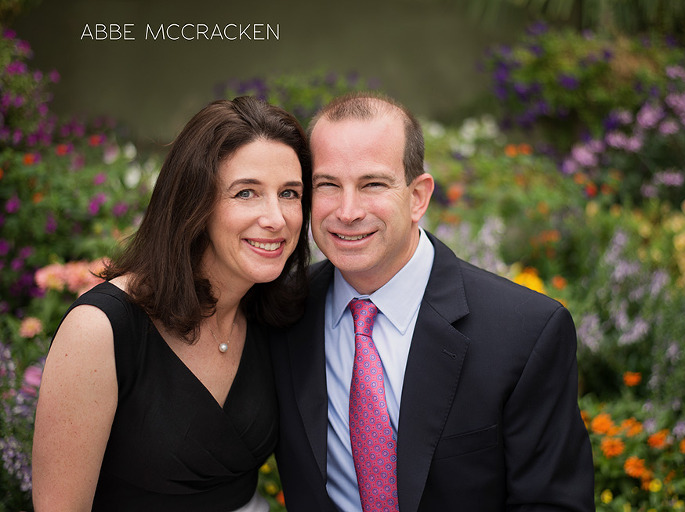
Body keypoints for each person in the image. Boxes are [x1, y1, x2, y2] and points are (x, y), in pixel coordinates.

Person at [268, 92, 594, 512]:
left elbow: (554, 504)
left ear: (418, 197)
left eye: (372, 184)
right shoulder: (280, 313)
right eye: (328, 185)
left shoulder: (526, 332)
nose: (347, 211)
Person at [31, 96, 312, 511]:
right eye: (246, 192)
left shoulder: (272, 313)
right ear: (195, 203)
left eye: (289, 193)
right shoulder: (102, 329)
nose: (276, 217)